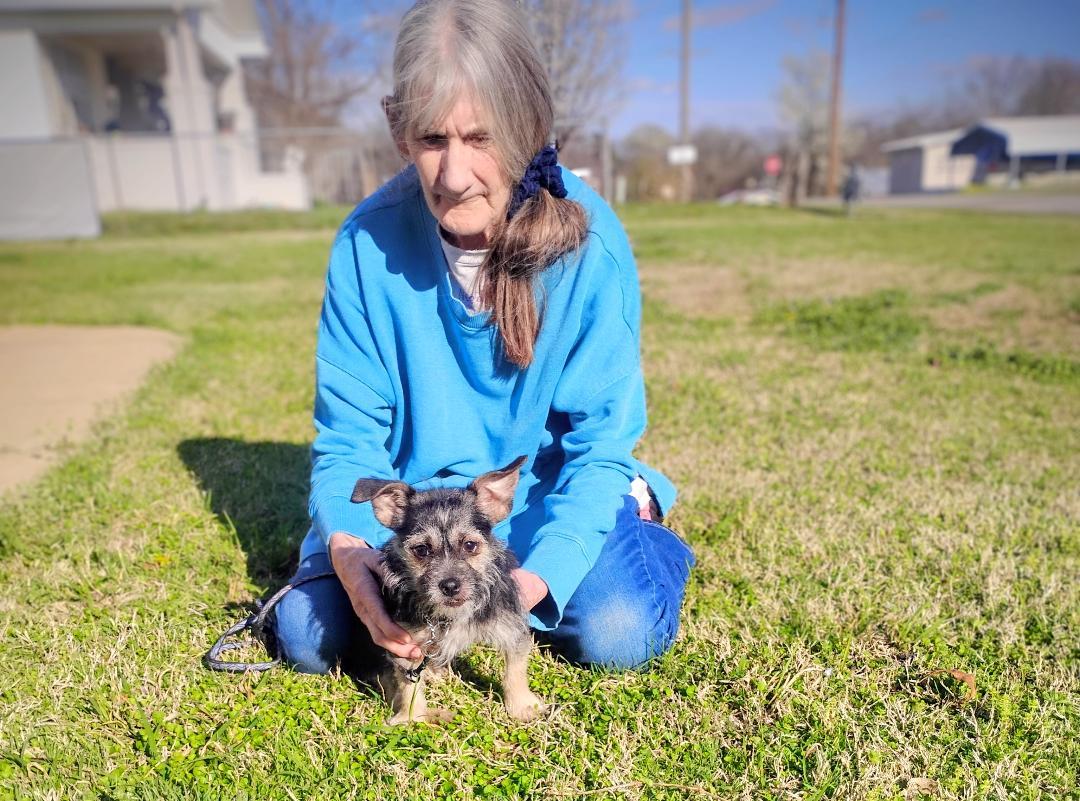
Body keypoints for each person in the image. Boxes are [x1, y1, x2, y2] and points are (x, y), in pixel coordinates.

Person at [274, 0, 694, 673]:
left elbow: (598, 443)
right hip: (417, 529)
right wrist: (351, 555)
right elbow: (348, 443)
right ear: (397, 129)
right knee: (307, 634)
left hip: (539, 497)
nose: (454, 174)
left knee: (617, 631)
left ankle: (635, 519)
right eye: (431, 139)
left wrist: (528, 583)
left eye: (481, 138)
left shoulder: (592, 242)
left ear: (529, 123)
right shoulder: (364, 243)